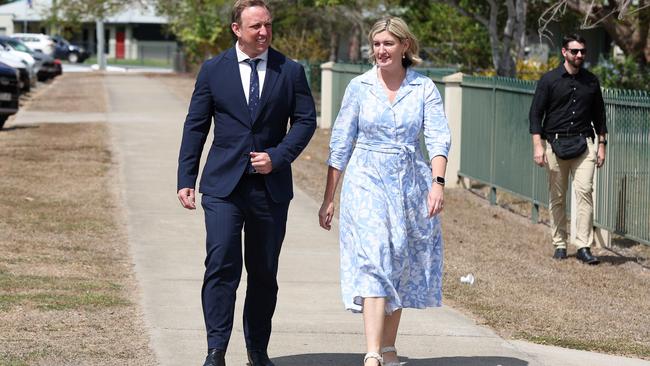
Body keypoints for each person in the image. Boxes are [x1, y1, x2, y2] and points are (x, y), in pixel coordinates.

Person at [176, 1, 317, 365]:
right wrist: (186, 177)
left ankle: (257, 350)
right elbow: (196, 125)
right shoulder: (213, 70)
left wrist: (278, 156)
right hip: (223, 186)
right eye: (255, 26)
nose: (264, 32)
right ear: (236, 29)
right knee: (221, 263)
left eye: (268, 25)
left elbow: (305, 121)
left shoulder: (290, 70)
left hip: (270, 189)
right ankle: (216, 350)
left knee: (264, 271)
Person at [318, 17, 451, 366]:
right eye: (376, 44)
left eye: (388, 44)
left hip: (409, 183)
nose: (381, 51)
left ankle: (388, 347)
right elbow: (341, 143)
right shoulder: (359, 87)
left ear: (405, 46)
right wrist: (329, 197)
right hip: (365, 179)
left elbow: (438, 137)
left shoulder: (423, 88)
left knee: (398, 262)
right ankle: (373, 352)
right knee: (374, 257)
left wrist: (437, 184)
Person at [529, 33, 607, 265]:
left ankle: (583, 246)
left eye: (582, 51)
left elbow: (600, 116)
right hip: (555, 145)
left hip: (584, 145)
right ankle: (560, 244)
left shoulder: (592, 81)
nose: (579, 55)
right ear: (564, 52)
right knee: (557, 197)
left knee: (584, 193)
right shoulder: (549, 80)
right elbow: (535, 114)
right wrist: (538, 146)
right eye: (574, 51)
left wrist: (601, 145)